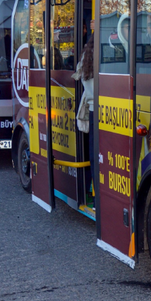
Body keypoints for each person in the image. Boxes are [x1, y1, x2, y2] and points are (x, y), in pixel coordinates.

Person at [72, 37, 95, 198]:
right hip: (105, 110)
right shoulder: (107, 53)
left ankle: (92, 193)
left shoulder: (86, 57)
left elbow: (78, 76)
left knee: (93, 155)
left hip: (92, 111)